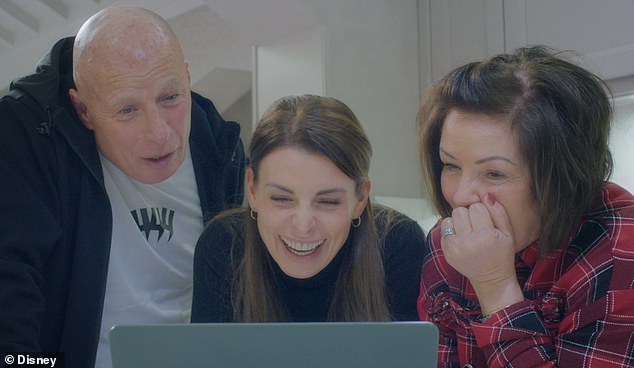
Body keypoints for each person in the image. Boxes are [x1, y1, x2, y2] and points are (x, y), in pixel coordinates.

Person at [0, 6, 245, 368]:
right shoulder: (28, 137)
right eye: (127, 110)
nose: (159, 134)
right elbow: (11, 298)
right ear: (82, 109)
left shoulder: (221, 149)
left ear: (188, 77)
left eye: (170, 98)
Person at [416, 45, 634, 367]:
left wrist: (495, 286)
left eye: (494, 173)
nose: (460, 197)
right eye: (450, 165)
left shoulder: (619, 250)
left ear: (563, 177)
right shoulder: (446, 241)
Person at [191, 94, 424, 323]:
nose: (303, 227)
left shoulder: (397, 246)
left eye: (328, 202)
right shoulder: (223, 247)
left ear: (361, 198)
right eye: (281, 199)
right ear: (252, 190)